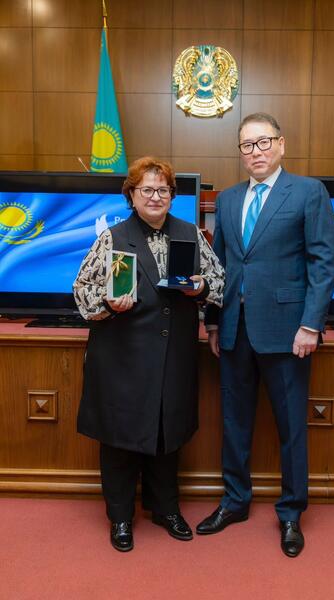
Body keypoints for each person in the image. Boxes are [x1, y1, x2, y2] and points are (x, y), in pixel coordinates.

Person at [196, 113, 334, 557]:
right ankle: (235, 501)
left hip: (288, 331)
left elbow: (323, 263)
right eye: (247, 145)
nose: (255, 151)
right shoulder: (229, 199)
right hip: (234, 330)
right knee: (234, 422)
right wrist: (213, 321)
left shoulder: (309, 192)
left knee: (291, 426)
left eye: (263, 142)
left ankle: (291, 513)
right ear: (240, 152)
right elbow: (219, 265)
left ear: (281, 144)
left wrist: (311, 324)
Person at [73, 157, 224, 552]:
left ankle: (165, 509)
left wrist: (200, 288)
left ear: (172, 196)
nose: (155, 196)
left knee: (167, 433)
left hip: (174, 356)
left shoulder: (191, 234)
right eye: (147, 190)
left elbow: (220, 282)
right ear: (132, 195)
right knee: (119, 438)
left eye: (163, 190)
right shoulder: (112, 237)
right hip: (121, 357)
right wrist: (108, 303)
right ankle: (121, 517)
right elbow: (81, 291)